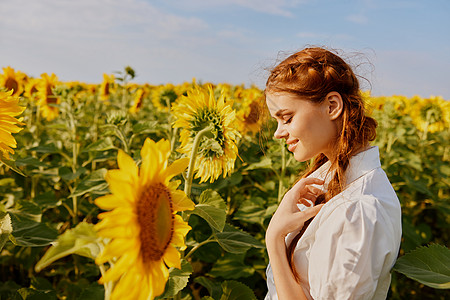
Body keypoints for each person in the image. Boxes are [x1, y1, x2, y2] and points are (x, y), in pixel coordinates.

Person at [264, 47, 402, 300]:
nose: (278, 132)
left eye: (287, 117)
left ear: (331, 106)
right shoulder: (328, 181)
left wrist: (274, 239)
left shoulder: (358, 210)